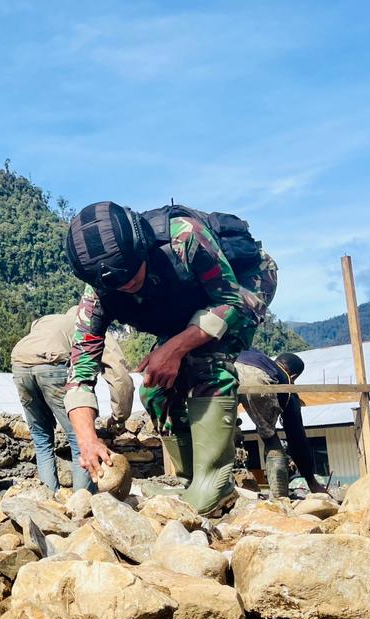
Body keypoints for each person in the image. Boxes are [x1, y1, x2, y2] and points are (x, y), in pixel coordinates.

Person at [63, 201, 277, 517]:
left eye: (132, 275)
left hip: (241, 285)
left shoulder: (183, 237)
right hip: (184, 307)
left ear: (141, 248)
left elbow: (229, 303)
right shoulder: (99, 291)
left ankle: (216, 482)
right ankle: (191, 479)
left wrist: (174, 349)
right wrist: (87, 439)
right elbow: (81, 366)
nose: (126, 285)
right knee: (154, 387)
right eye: (117, 285)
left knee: (206, 361)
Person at [11, 305, 133, 492]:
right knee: (81, 440)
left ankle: (48, 501)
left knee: (41, 439)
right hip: (53, 363)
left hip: (20, 364)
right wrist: (119, 417)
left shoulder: (47, 320)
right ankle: (81, 504)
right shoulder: (91, 324)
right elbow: (118, 375)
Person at [235, 349, 327, 497]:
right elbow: (296, 436)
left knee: (226, 431)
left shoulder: (257, 356)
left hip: (227, 371)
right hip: (258, 379)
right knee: (271, 440)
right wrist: (311, 481)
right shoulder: (285, 379)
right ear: (294, 376)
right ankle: (281, 497)